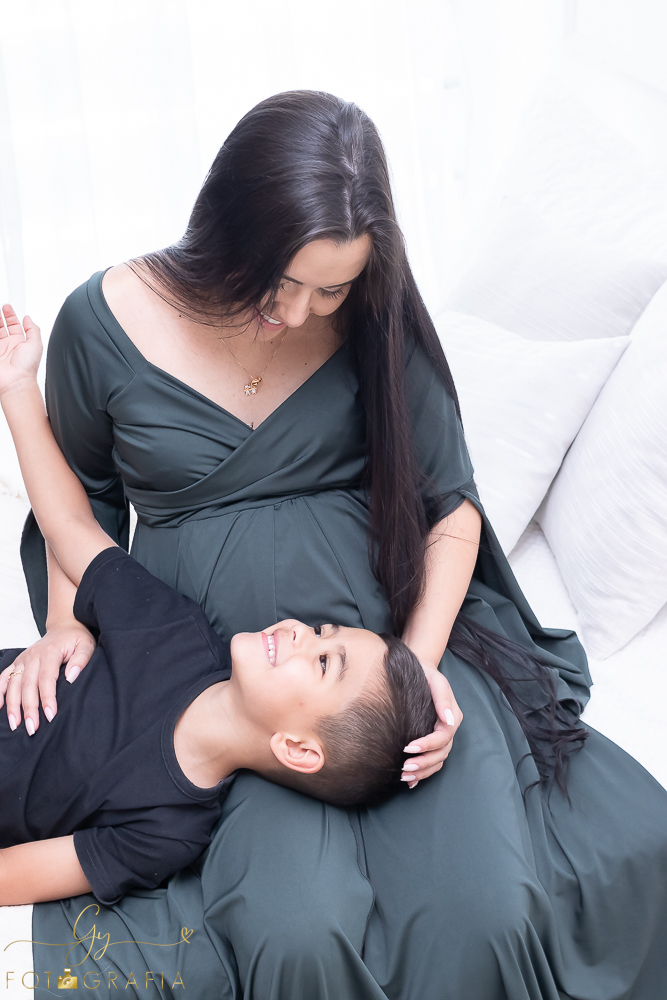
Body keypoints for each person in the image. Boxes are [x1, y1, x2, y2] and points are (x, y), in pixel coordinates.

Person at [10, 91, 667, 999]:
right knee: (293, 924)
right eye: (280, 280)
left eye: (331, 288)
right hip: (232, 683)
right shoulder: (103, 321)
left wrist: (417, 669)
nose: (299, 310)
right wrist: (63, 622)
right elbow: (79, 496)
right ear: (229, 231)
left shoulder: (369, 315)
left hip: (378, 652)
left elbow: (451, 506)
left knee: (488, 904)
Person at [0, 308, 437, 906]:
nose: (299, 632)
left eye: (322, 661)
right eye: (322, 630)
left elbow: (13, 876)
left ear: (299, 749)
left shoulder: (170, 831)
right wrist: (18, 387)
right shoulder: (177, 633)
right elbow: (72, 526)